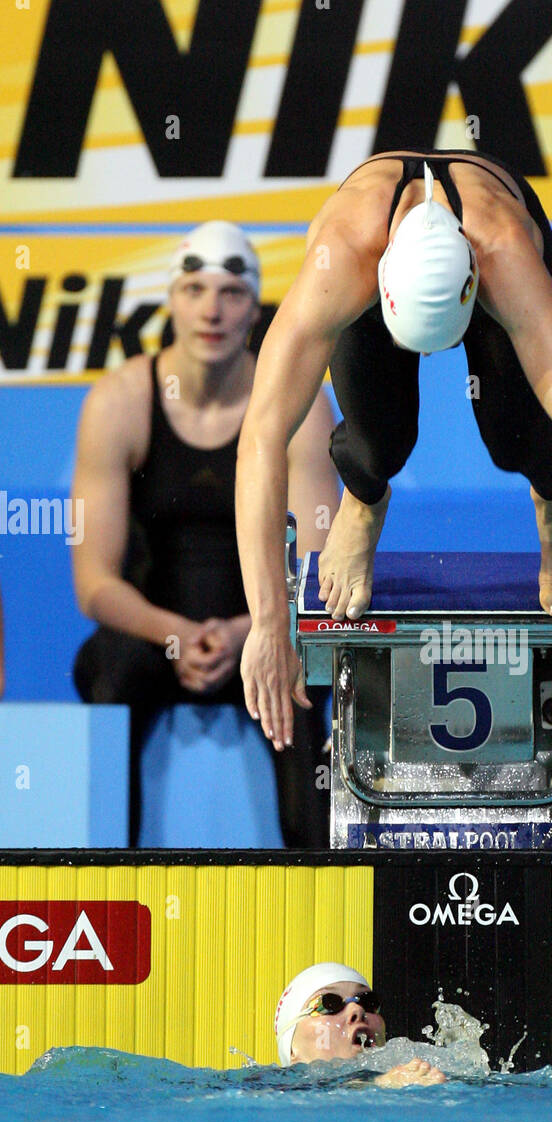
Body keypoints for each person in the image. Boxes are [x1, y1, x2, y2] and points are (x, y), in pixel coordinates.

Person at [235, 150, 552, 754]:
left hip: (490, 226)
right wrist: (268, 621)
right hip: (377, 237)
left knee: (516, 429)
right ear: (382, 287)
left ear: (470, 290)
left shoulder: (505, 251)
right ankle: (363, 500)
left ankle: (550, 505)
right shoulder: (344, 255)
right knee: (380, 436)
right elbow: (260, 436)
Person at [70, 221, 339, 847]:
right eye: (194, 290)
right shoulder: (118, 402)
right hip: (152, 638)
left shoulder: (298, 401)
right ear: (171, 301)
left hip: (264, 631)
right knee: (108, 670)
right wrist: (177, 636)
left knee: (303, 676)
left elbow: (320, 565)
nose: (211, 310)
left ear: (256, 309)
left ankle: (318, 884)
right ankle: (111, 876)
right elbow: (94, 583)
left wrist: (255, 631)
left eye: (230, 292)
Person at [274, 962, 447, 1088]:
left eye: (368, 1002)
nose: (357, 1009)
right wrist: (379, 1084)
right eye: (329, 1004)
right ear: (292, 1050)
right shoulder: (268, 1087)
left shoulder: (422, 1073)